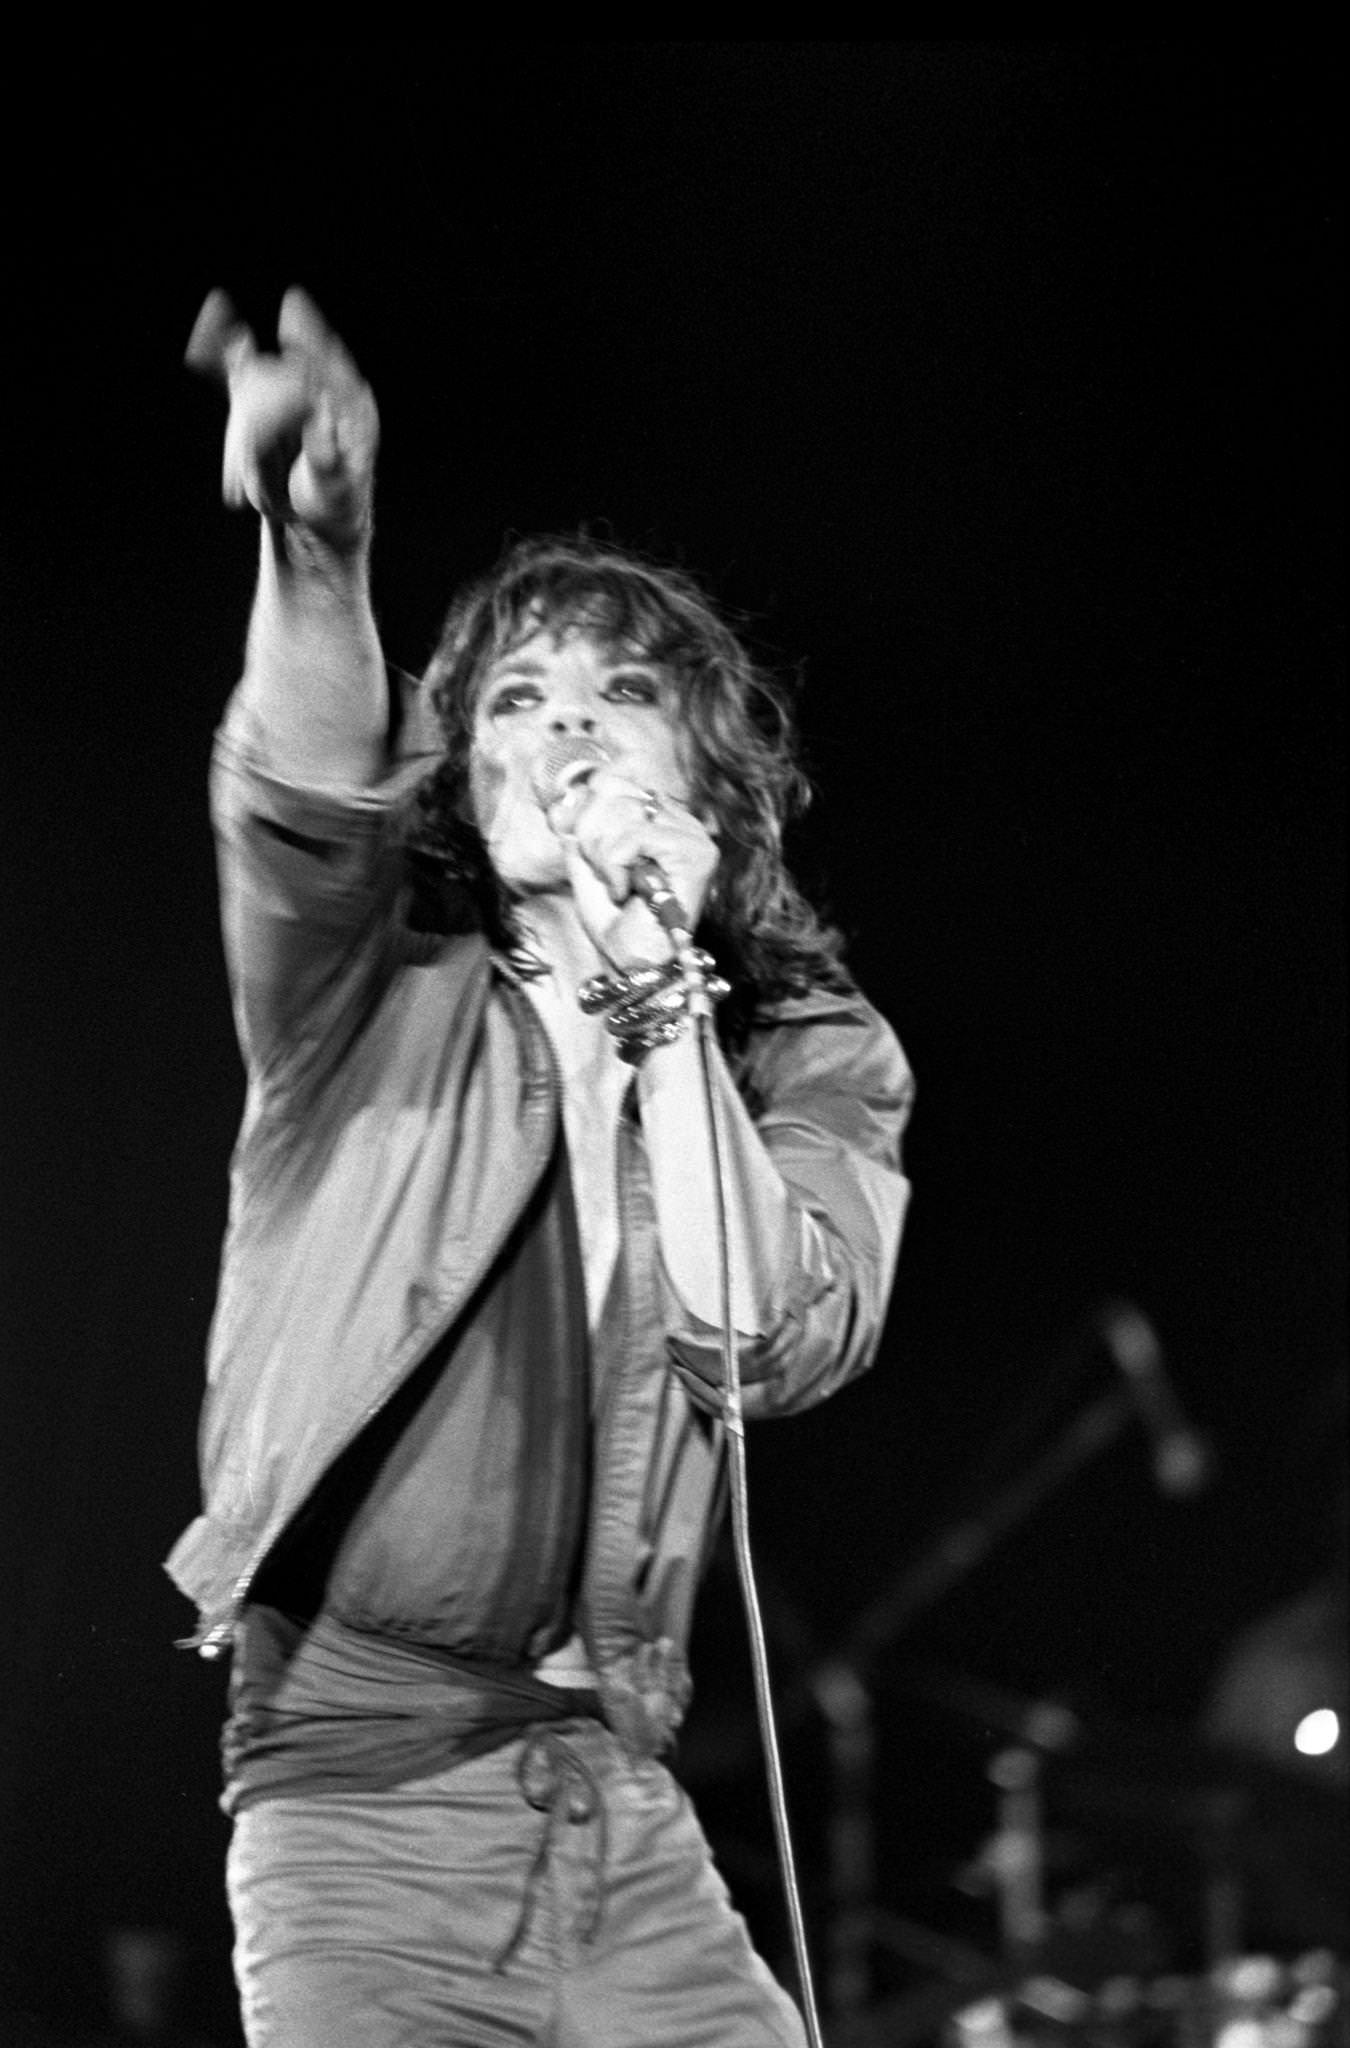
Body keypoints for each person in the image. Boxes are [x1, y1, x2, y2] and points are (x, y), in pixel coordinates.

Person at [167, 286, 914, 2048]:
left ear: (711, 784)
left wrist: (660, 998)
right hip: (358, 1804)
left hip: (625, 1816)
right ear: (465, 773)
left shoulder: (810, 1062)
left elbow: (768, 1340)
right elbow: (301, 785)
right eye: (514, 696)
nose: (566, 725)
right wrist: (320, 548)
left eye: (622, 694)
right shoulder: (360, 998)